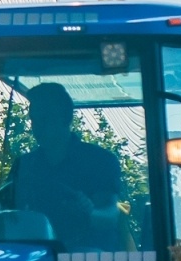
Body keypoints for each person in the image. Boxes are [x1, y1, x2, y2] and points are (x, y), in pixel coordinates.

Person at [9, 82, 124, 250]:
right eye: (34, 119)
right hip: (36, 254)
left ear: (66, 118)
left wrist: (90, 213)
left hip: (89, 259)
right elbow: (8, 212)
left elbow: (110, 215)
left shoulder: (100, 160)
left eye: (45, 118)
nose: (37, 127)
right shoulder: (24, 165)